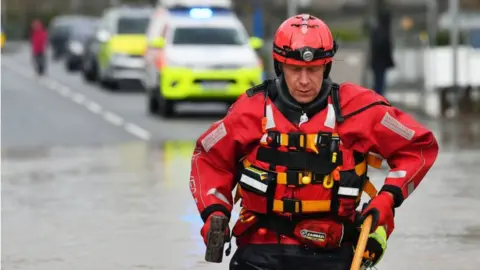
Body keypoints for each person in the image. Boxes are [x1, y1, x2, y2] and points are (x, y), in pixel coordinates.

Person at [190, 14, 438, 270]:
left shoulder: (360, 109)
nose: (305, 80)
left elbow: (419, 147)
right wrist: (214, 211)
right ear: (280, 67)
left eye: (314, 69)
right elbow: (209, 158)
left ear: (327, 66)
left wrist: (389, 197)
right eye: (295, 70)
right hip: (260, 250)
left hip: (332, 252)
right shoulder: (249, 111)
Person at [368, 7, 395, 96]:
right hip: (380, 62)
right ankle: (378, 100)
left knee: (378, 83)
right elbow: (383, 47)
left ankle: (377, 99)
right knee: (380, 83)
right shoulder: (383, 31)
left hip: (377, 62)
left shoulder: (378, 29)